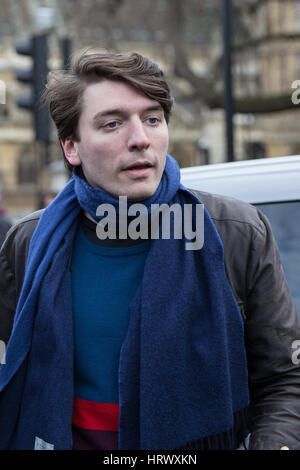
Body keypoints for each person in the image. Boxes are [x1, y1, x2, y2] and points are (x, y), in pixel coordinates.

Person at [0, 51, 299, 451]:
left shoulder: (236, 232)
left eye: (152, 119)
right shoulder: (29, 242)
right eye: (112, 123)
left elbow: (284, 378)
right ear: (72, 148)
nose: (140, 138)